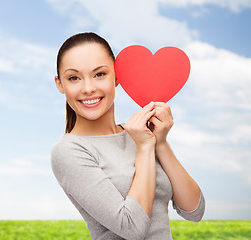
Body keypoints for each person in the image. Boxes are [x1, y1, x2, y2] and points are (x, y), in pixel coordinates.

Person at [51, 32, 205, 240]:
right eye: (74, 78)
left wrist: (160, 142)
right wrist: (144, 148)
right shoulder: (69, 151)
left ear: (117, 77)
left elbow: (194, 210)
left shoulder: (139, 133)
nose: (88, 88)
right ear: (60, 84)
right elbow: (131, 227)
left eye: (99, 74)